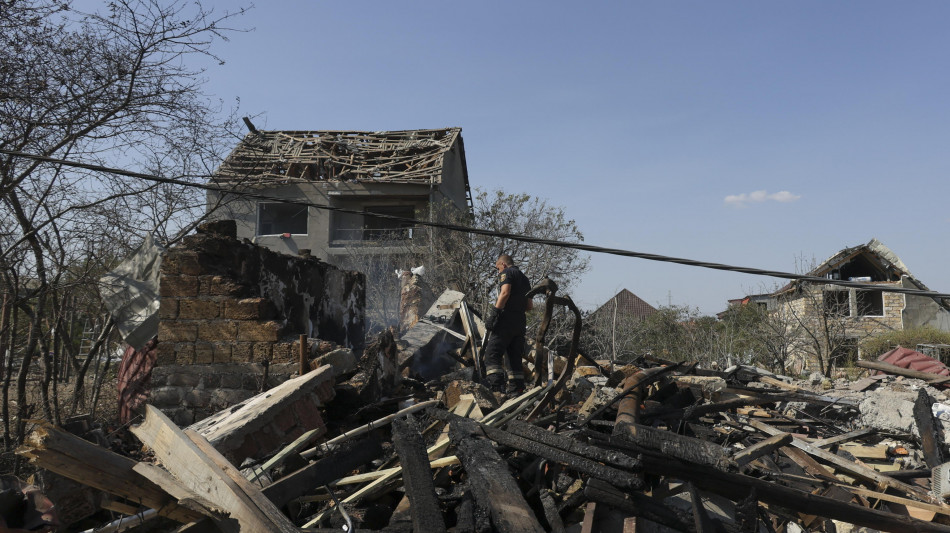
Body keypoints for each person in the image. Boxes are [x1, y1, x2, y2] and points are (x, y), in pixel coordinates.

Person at [483, 254, 533, 394]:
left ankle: (496, 388)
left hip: (506, 319)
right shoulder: (524, 278)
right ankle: (516, 390)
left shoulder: (507, 272)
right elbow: (529, 306)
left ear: (503, 265)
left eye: (498, 268)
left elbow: (504, 293)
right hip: (520, 322)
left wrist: (494, 313)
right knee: (513, 357)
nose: (498, 272)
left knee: (492, 354)